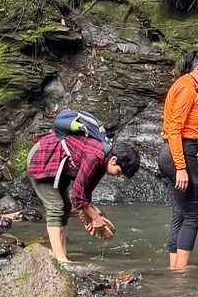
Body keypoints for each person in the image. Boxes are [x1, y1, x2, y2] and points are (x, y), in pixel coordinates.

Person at [26, 109, 139, 265]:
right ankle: (60, 259)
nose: (117, 176)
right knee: (56, 207)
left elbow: (86, 191)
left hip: (61, 167)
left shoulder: (102, 161)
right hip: (44, 158)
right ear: (113, 160)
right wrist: (95, 217)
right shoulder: (95, 155)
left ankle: (62, 254)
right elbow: (77, 196)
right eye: (119, 172)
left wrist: (90, 216)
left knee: (65, 208)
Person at [160, 49, 198, 270]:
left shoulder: (182, 85)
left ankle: (174, 268)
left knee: (180, 213)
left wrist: (196, 166)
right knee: (194, 214)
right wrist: (183, 168)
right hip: (180, 152)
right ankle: (181, 274)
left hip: (171, 152)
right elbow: (176, 129)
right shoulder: (186, 90)